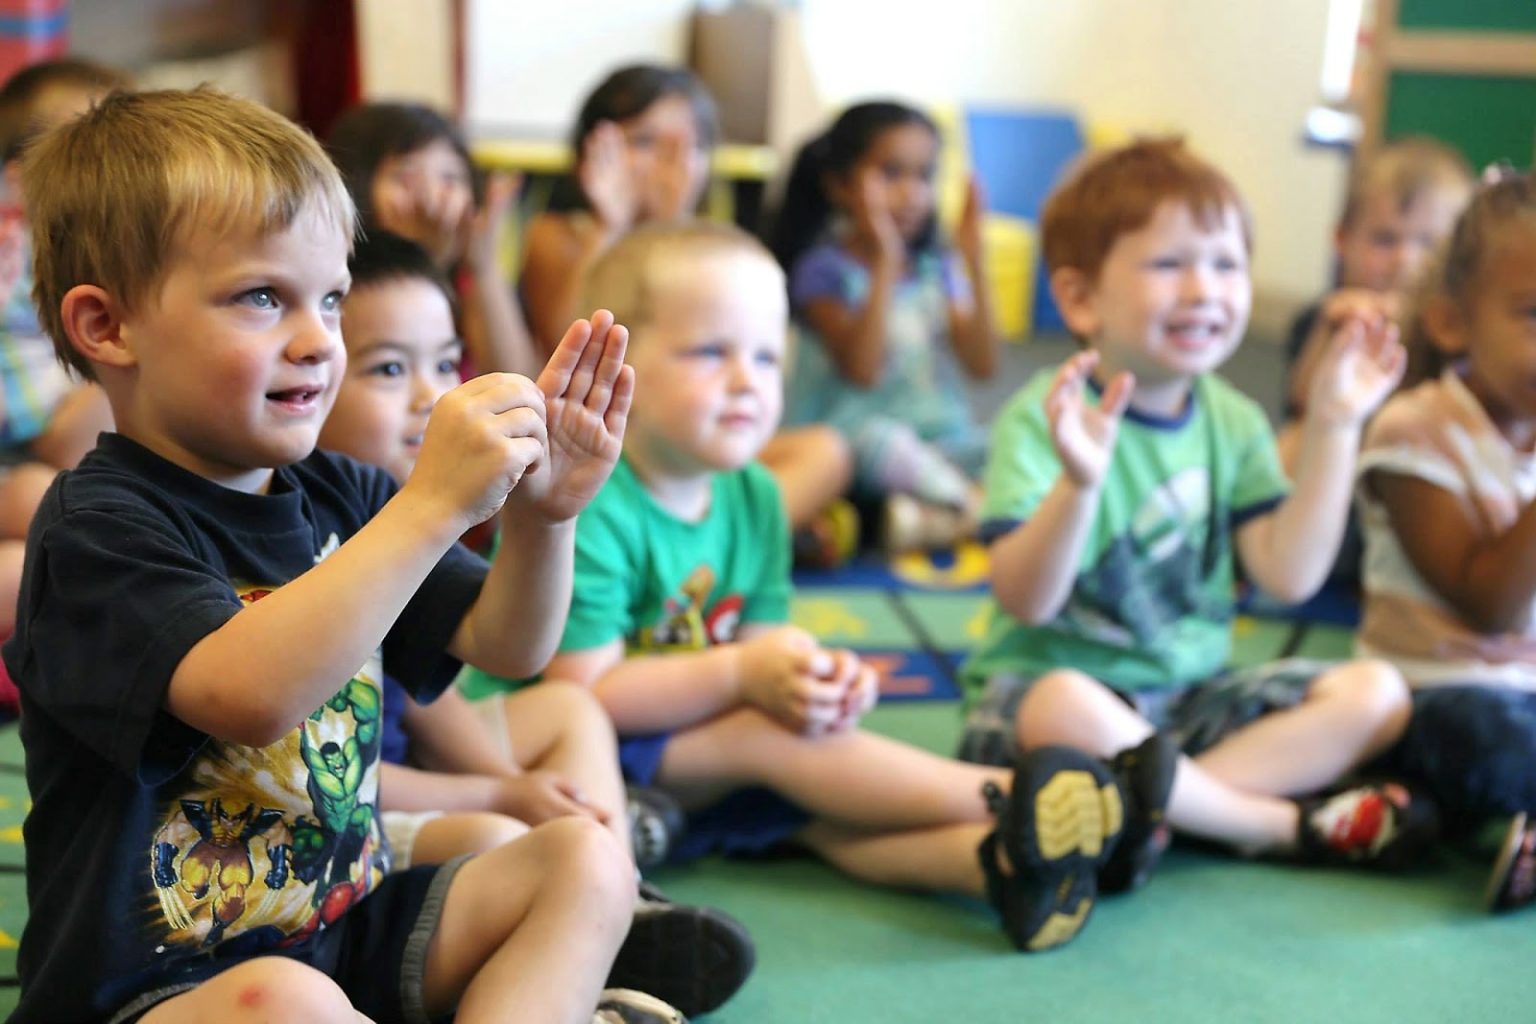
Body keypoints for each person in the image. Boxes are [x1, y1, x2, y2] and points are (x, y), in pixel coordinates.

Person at [3, 86, 688, 1024]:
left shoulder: (345, 493)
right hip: (158, 994)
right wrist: (433, 507)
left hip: (338, 933)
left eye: (329, 299)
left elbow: (508, 647)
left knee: (582, 859)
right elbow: (253, 695)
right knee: (291, 1004)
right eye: (260, 298)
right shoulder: (98, 525)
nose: (317, 340)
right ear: (107, 327)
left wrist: (544, 519)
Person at [519, 219, 1131, 955]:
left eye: (768, 355)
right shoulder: (592, 504)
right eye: (711, 352)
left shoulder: (755, 497)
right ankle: (1007, 798)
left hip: (686, 757)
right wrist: (746, 673)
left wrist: (810, 671)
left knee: (812, 799)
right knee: (773, 742)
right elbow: (587, 695)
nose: (748, 380)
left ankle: (999, 864)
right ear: (618, 372)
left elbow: (762, 634)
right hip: (567, 765)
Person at [957, 139, 1438, 904]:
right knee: (1062, 701)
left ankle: (1164, 810)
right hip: (1056, 708)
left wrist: (1336, 427)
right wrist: (1080, 484)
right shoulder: (1042, 417)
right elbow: (1026, 600)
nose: (1204, 289)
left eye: (1225, 265)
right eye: (1168, 264)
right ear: (1081, 300)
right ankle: (1269, 825)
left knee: (1377, 692)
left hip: (1188, 701)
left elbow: (1287, 573)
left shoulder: (1234, 421)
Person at [317, 230, 754, 1015]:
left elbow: (431, 685)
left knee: (566, 710)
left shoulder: (382, 504)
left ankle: (626, 900)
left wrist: (514, 780)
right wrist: (499, 791)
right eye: (390, 368)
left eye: (446, 363)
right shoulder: (312, 529)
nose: (432, 397)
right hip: (350, 817)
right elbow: (335, 780)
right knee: (499, 834)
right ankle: (589, 931)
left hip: (408, 777)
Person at [520, 63, 851, 541]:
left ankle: (731, 537)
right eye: (646, 142)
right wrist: (610, 225)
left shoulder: (712, 249)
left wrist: (673, 222)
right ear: (594, 148)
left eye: (690, 146)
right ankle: (754, 538)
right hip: (612, 447)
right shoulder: (559, 236)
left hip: (694, 439)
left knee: (827, 451)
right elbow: (573, 355)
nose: (668, 164)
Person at [1352, 170, 1536, 912]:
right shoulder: (1413, 430)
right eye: (1533, 313)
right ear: (1453, 323)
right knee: (1491, 741)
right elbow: (1488, 602)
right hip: (1429, 694)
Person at [768, 101, 997, 551]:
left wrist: (974, 260)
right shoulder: (824, 270)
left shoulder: (935, 267)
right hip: (858, 447)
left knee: (1010, 438)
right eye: (892, 174)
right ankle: (979, 513)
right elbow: (863, 369)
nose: (911, 192)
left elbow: (983, 364)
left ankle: (931, 513)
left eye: (923, 175)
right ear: (840, 185)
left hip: (938, 444)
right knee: (882, 445)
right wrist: (885, 261)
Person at [1278, 138, 1472, 476]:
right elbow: (1301, 405)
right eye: (1385, 239)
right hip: (1337, 473)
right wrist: (1334, 330)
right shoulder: (1327, 316)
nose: (1406, 261)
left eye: (1430, 243)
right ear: (1342, 240)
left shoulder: (1459, 331)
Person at [326, 100, 537, 378]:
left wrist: (483, 267)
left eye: (450, 178)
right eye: (406, 178)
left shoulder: (468, 282)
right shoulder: (339, 285)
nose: (433, 197)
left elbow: (520, 381)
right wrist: (421, 259)